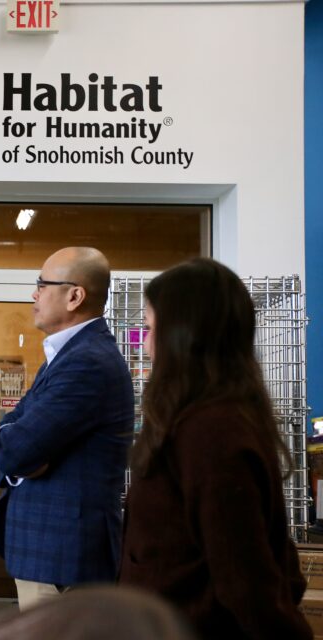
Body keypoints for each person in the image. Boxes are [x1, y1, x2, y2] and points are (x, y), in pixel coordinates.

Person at [118, 258, 312, 638]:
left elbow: (247, 580)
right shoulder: (202, 421)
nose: (146, 344)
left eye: (149, 329)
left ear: (183, 336)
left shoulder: (211, 433)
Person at [0, 247, 134, 610]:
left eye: (42, 284)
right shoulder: (68, 356)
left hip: (62, 560)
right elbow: (13, 432)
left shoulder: (87, 362)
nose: (34, 294)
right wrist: (21, 453)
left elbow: (14, 450)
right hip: (54, 557)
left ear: (74, 296)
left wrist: (20, 455)